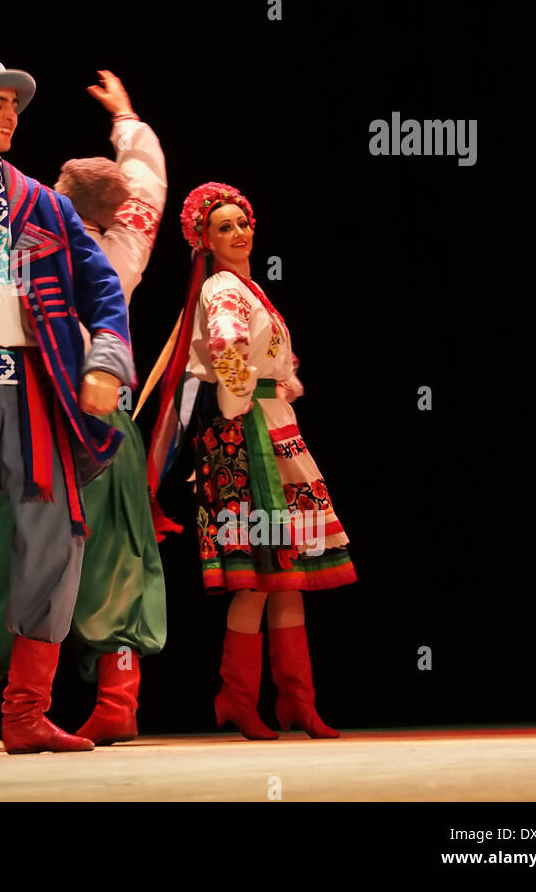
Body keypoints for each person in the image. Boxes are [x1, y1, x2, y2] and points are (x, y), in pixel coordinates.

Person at [0, 70, 173, 746]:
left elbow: (104, 286)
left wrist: (107, 361)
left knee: (56, 541)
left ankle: (26, 713)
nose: (12, 115)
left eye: (16, 105)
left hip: (39, 391)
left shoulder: (41, 205)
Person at [146, 182, 355, 739]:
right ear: (205, 240)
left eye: (243, 223)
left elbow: (269, 359)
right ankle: (238, 698)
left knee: (288, 574)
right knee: (258, 576)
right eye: (225, 227)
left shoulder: (248, 287)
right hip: (246, 435)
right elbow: (226, 351)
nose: (239, 233)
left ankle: (296, 701)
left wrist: (279, 388)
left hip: (272, 430)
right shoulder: (222, 289)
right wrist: (242, 405)